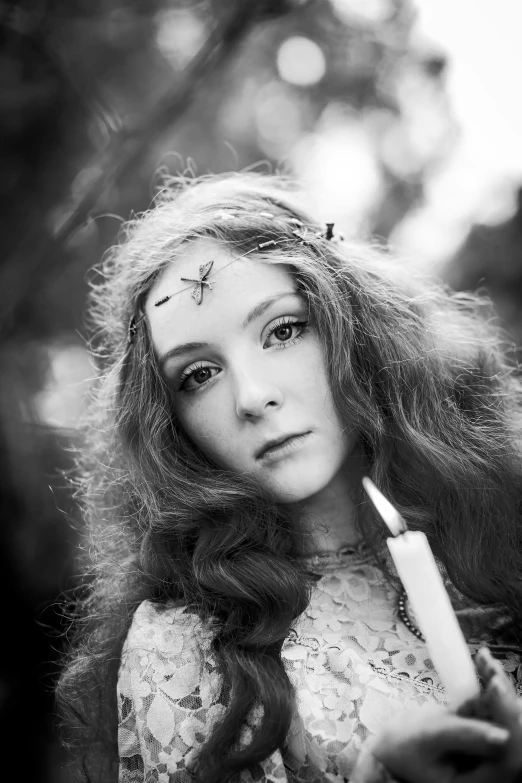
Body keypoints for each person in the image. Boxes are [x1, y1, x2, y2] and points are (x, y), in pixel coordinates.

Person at [56, 171, 522, 783]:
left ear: (355, 326)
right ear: (171, 423)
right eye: (198, 374)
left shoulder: (504, 527)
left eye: (283, 330)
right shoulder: (183, 653)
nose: (252, 396)